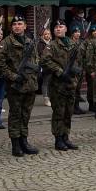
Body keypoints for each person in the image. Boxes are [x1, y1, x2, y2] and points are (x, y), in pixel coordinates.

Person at [0, 15, 40, 157]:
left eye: (20, 23)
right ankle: (16, 144)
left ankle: (24, 141)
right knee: (15, 114)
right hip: (15, 85)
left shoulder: (30, 41)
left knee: (26, 114)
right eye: (14, 24)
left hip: (30, 84)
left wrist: (35, 71)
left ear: (25, 26)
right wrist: (14, 76)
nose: (17, 26)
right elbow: (0, 63)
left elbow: (36, 58)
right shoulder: (6, 42)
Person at [40, 19, 80, 151]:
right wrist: (59, 71)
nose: (58, 29)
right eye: (56, 27)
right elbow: (44, 61)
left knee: (68, 112)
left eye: (61, 26)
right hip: (57, 85)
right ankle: (58, 139)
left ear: (66, 29)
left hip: (70, 83)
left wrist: (76, 73)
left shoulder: (72, 44)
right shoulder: (51, 45)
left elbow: (79, 61)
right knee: (59, 113)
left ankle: (66, 137)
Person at [37, 27, 53, 106]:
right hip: (45, 66)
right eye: (45, 34)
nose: (47, 35)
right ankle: (46, 98)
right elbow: (41, 54)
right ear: (42, 35)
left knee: (51, 82)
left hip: (52, 65)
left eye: (48, 34)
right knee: (45, 82)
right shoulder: (40, 44)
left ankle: (51, 97)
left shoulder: (52, 42)